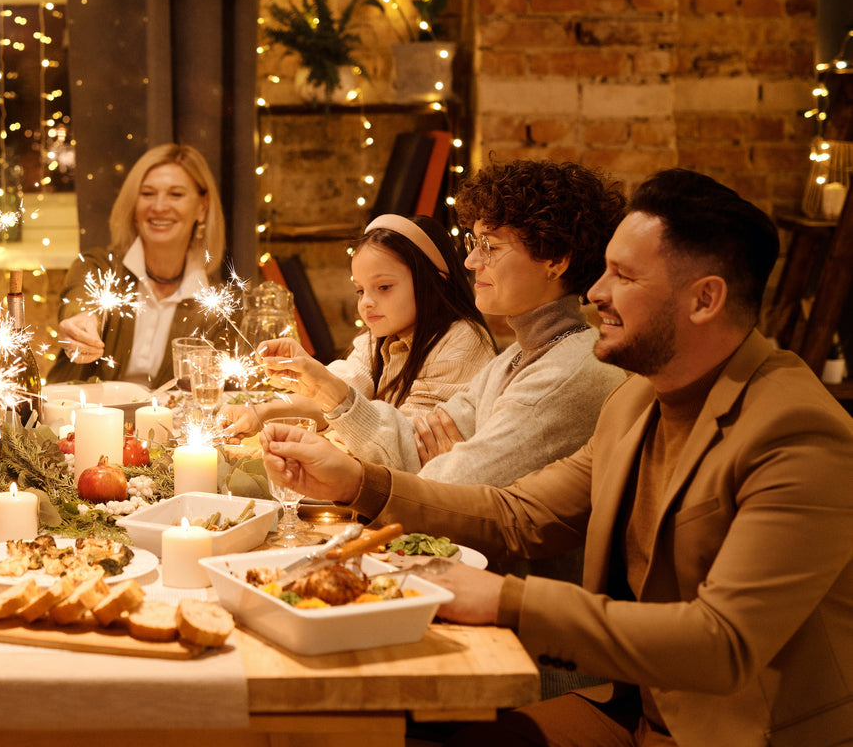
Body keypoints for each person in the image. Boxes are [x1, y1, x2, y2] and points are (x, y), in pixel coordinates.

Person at [261, 169, 853, 747]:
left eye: (623, 276)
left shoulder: (797, 431)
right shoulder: (637, 401)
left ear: (705, 299)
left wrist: (503, 599)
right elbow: (517, 514)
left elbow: (721, 643)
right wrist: (355, 482)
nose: (596, 293)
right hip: (628, 709)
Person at [261, 159, 627, 485]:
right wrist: (325, 389)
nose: (470, 263)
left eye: (492, 247)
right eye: (475, 243)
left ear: (555, 260)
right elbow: (412, 444)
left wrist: (440, 466)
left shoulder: (567, 371)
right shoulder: (517, 356)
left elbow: (453, 486)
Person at [220, 213, 495, 441]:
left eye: (384, 287)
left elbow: (409, 441)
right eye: (360, 291)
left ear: (434, 283)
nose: (367, 303)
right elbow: (340, 392)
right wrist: (261, 412)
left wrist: (323, 386)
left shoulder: (461, 341)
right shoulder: (377, 339)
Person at [48, 143, 229, 388]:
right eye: (147, 194)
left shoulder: (217, 307)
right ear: (134, 206)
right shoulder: (98, 267)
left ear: (202, 206)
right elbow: (81, 300)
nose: (159, 206)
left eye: (176, 194)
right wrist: (81, 323)